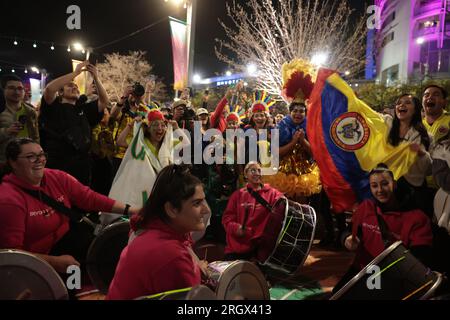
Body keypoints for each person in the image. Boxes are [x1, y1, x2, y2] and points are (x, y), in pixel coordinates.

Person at [0, 138, 139, 274]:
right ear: (13, 162)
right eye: (31, 156)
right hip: (35, 261)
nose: (40, 160)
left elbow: (89, 198)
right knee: (76, 281)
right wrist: (54, 262)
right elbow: (13, 254)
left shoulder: (56, 177)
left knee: (115, 253)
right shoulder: (9, 200)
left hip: (66, 240)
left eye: (42, 154)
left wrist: (130, 210)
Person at [106, 164, 211, 300]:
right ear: (171, 209)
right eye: (197, 203)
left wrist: (195, 267)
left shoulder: (150, 231)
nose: (206, 209)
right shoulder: (171, 254)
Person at [334, 163, 433, 293]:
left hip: (395, 278)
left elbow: (420, 258)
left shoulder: (416, 217)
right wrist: (347, 239)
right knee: (336, 293)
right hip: (363, 270)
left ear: (395, 184)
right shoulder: (366, 207)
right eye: (374, 186)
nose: (379, 190)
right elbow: (348, 231)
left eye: (385, 183)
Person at [39, 61, 109, 186]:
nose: (74, 87)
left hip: (82, 168)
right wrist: (75, 73)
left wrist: (96, 78)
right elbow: (49, 89)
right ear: (60, 93)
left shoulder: (84, 110)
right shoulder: (54, 107)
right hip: (59, 166)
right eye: (70, 86)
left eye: (76, 87)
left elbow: (104, 101)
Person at [222, 162, 283, 261]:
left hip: (261, 246)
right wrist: (237, 229)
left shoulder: (272, 193)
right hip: (240, 245)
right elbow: (227, 219)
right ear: (246, 174)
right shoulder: (237, 195)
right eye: (253, 170)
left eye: (259, 170)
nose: (257, 173)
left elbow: (283, 205)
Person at [385, 94, 433, 216]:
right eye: (399, 103)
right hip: (387, 188)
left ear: (416, 109)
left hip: (414, 191)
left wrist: (422, 154)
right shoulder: (385, 127)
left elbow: (429, 171)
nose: (401, 105)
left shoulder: (426, 136)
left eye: (407, 102)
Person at [0, 75, 39, 164]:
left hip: (27, 160)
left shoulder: (31, 111)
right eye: (11, 88)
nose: (17, 92)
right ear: (3, 90)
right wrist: (7, 131)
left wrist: (36, 154)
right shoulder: (1, 111)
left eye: (20, 88)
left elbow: (35, 136)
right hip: (5, 161)